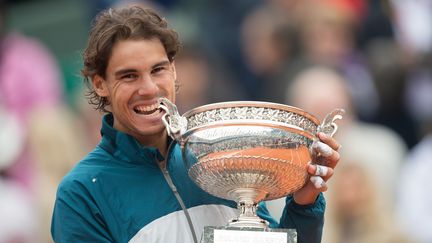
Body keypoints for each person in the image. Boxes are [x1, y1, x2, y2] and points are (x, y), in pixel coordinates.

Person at [51, 6, 342, 243]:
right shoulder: (81, 192)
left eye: (158, 69)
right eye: (129, 76)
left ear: (174, 70)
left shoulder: (218, 157)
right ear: (100, 84)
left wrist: (304, 203)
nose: (149, 88)